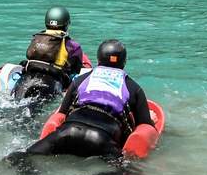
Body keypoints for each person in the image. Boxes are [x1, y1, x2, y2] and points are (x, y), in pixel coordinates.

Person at [22, 39, 152, 158]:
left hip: (68, 132)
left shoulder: (80, 80)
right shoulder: (134, 88)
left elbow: (62, 113)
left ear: (99, 59)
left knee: (26, 155)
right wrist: (151, 120)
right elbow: (145, 125)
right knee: (125, 170)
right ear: (123, 62)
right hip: (102, 140)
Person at [13, 6, 85, 102]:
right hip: (52, 84)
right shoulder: (73, 46)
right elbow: (76, 71)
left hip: (26, 79)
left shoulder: (36, 38)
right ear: (67, 24)